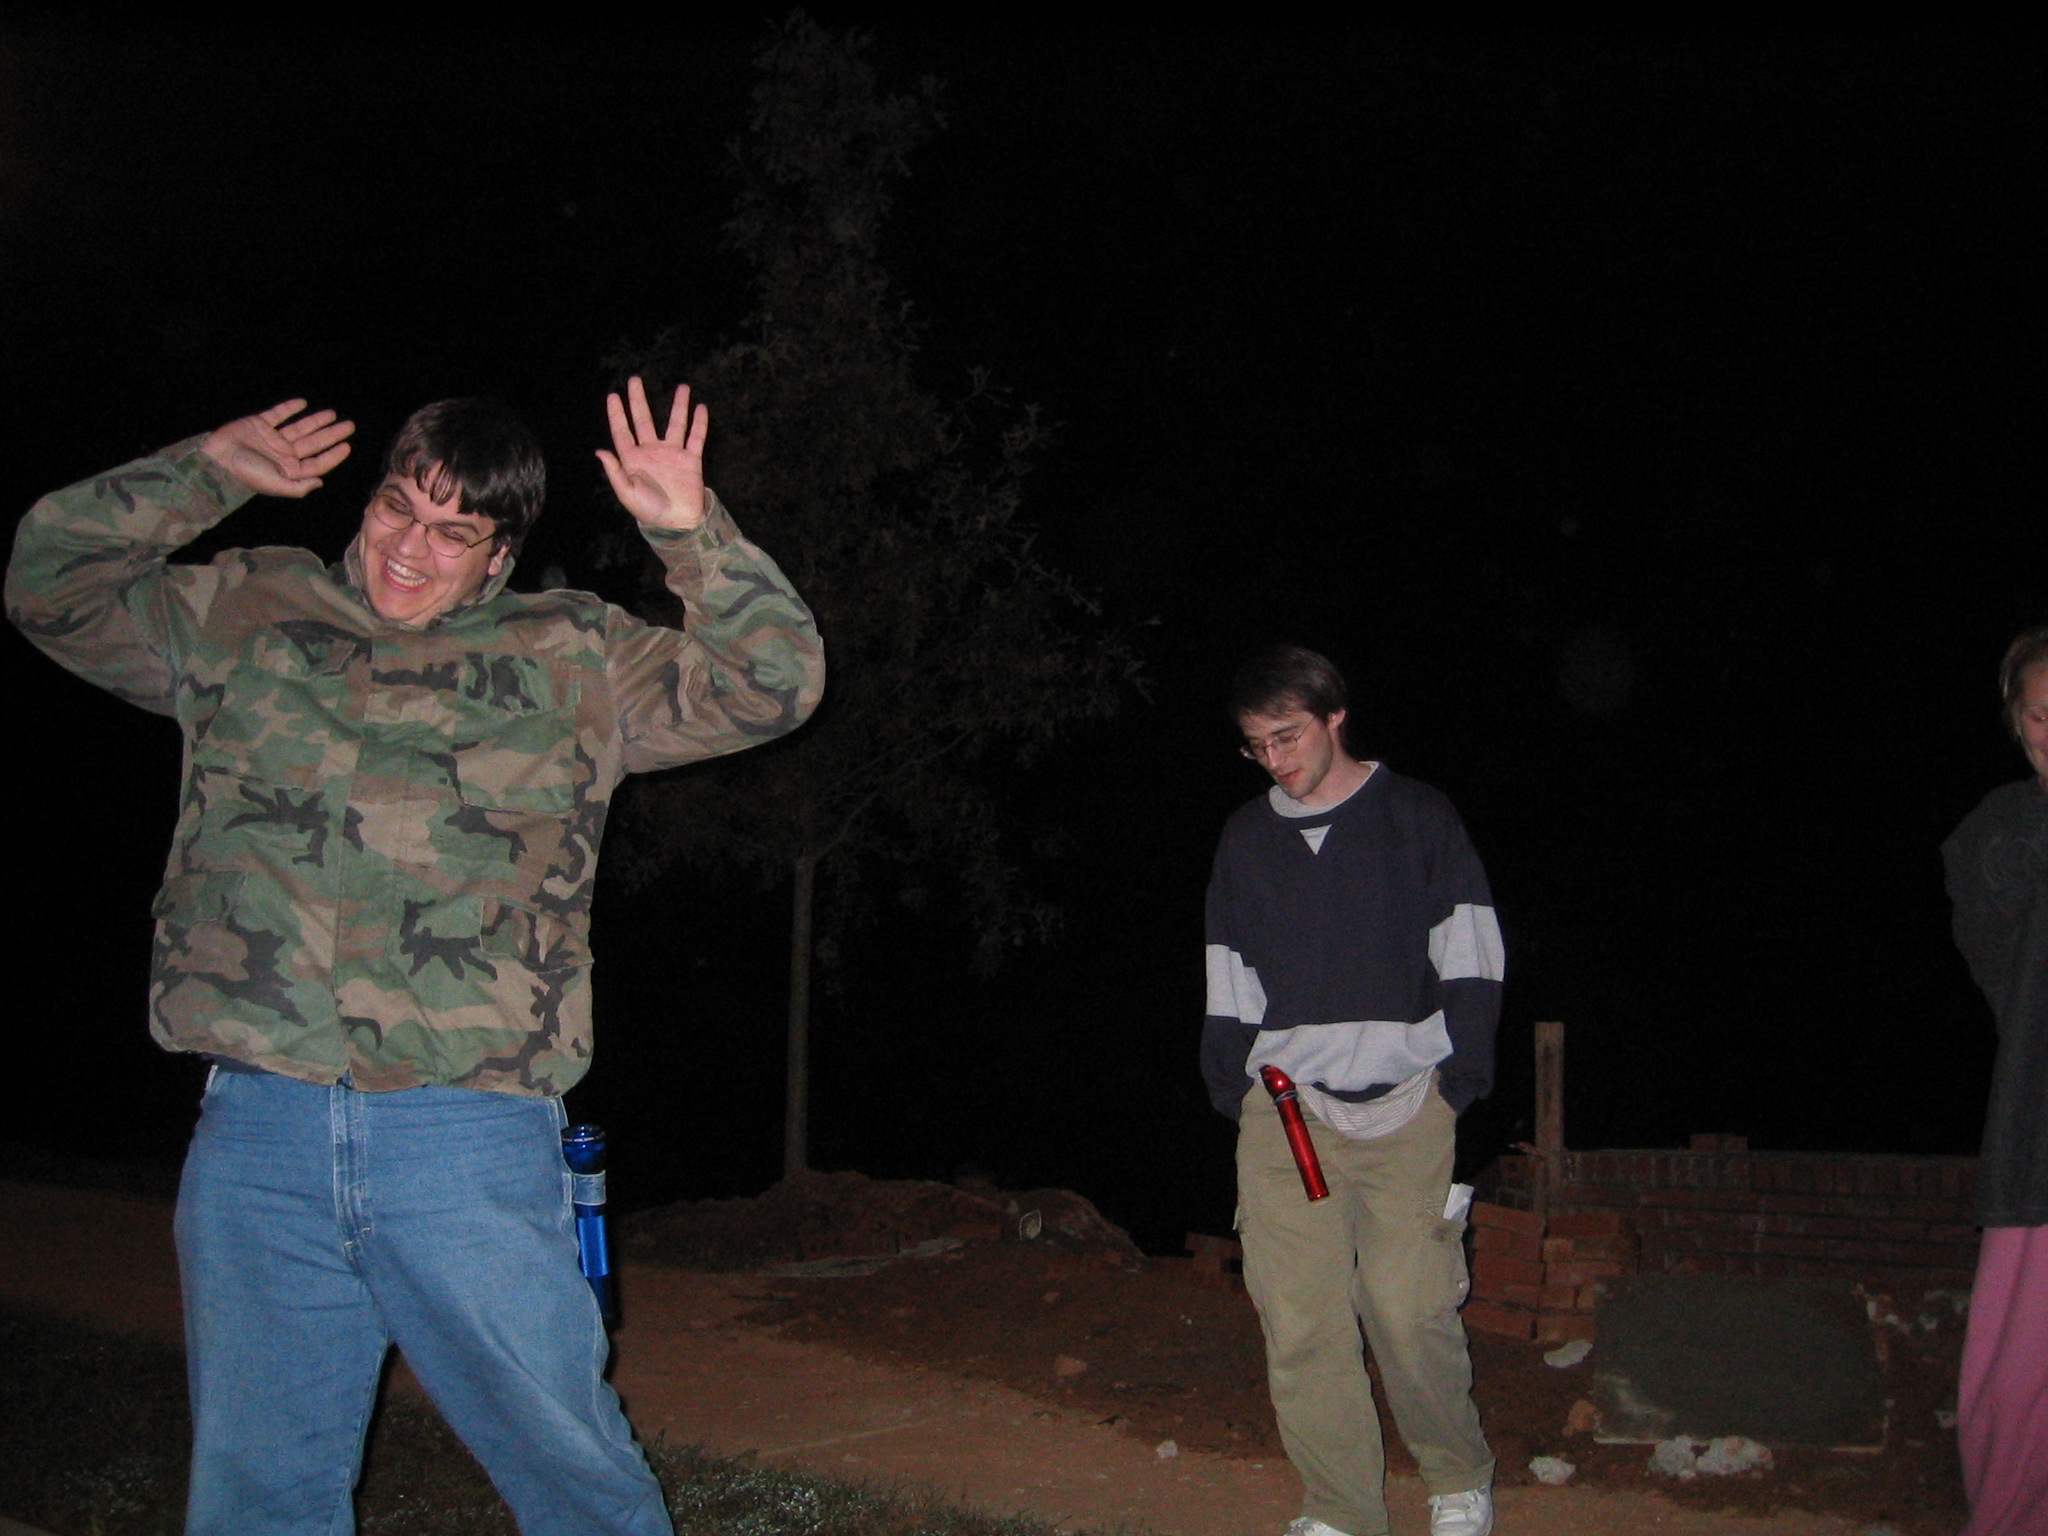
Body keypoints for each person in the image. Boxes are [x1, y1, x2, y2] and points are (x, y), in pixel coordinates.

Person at [5, 378, 825, 1536]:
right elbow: (48, 580)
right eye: (399, 506)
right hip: (260, 1131)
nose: (409, 548)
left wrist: (692, 535)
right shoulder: (242, 610)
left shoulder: (573, 656)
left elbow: (773, 683)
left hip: (466, 1137)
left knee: (574, 1474)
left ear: (498, 558)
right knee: (258, 1492)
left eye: (453, 533)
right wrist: (207, 471)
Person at [1203, 646, 1501, 1536]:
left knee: (1408, 1309)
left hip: (1408, 1110)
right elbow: (1228, 972)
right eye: (1256, 745)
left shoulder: (1417, 816)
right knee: (1300, 1322)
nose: (1274, 759)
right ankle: (1341, 1509)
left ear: (1335, 717)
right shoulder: (1246, 837)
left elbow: (1471, 949)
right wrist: (1233, 1087)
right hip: (1285, 1111)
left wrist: (1458, 1082)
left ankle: (1457, 1478)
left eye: (1287, 736)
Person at [1942, 625, 2048, 1536]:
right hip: (2040, 1140)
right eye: (2041, 715)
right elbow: (2000, 946)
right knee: (2016, 1371)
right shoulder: (2005, 832)